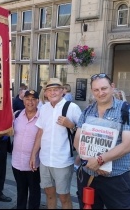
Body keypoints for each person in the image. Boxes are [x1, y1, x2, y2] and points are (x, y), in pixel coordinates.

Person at [74, 73, 130, 209]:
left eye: (104, 88)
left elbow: (127, 146)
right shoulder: (87, 111)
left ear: (112, 87)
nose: (100, 93)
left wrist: (99, 161)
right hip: (89, 176)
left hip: (116, 178)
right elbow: (77, 140)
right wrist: (89, 162)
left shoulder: (127, 110)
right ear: (92, 91)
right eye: (96, 90)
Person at [30, 78, 81, 209]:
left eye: (56, 89)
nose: (53, 93)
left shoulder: (72, 107)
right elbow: (40, 132)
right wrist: (33, 155)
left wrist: (71, 125)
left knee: (64, 196)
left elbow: (84, 133)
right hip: (45, 159)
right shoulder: (44, 108)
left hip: (62, 161)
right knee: (49, 193)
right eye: (50, 90)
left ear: (62, 91)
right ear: (45, 93)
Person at [12, 90, 41, 209]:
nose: (30, 102)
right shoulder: (17, 115)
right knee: (20, 190)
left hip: (33, 164)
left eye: (33, 99)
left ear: (38, 101)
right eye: (27, 99)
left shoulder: (42, 118)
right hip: (16, 162)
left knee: (34, 192)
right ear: (23, 101)